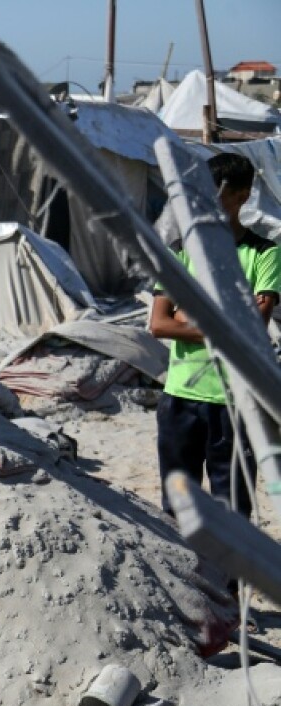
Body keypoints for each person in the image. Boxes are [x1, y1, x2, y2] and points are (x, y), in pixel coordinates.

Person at [150, 152, 280, 517]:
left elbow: (253, 328)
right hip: (179, 400)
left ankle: (224, 579)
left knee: (233, 511)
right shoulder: (181, 254)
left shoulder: (264, 254)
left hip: (235, 404)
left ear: (241, 197)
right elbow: (159, 324)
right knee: (177, 509)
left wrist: (189, 313)